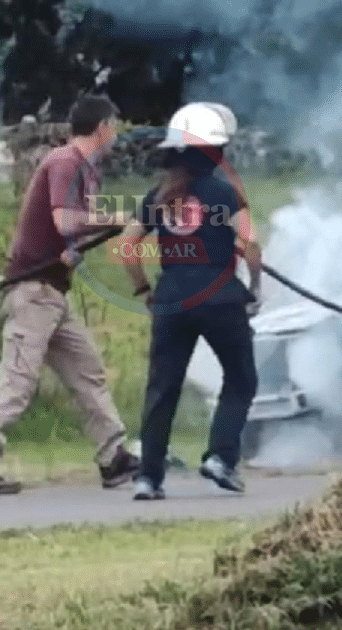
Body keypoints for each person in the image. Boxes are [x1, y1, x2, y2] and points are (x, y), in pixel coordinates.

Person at [0, 95, 141, 495]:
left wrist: (86, 243)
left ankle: (113, 457)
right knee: (17, 380)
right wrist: (116, 218)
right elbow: (66, 221)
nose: (115, 134)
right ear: (102, 127)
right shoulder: (66, 162)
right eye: (113, 126)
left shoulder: (85, 172)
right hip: (34, 292)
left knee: (87, 371)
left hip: (53, 291)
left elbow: (70, 234)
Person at [119, 101, 262, 501]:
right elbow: (250, 245)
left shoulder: (159, 196)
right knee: (241, 378)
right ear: (214, 152)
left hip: (172, 301)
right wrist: (255, 287)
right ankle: (221, 458)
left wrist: (144, 290)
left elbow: (128, 245)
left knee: (162, 388)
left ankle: (148, 478)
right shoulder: (225, 193)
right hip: (220, 298)